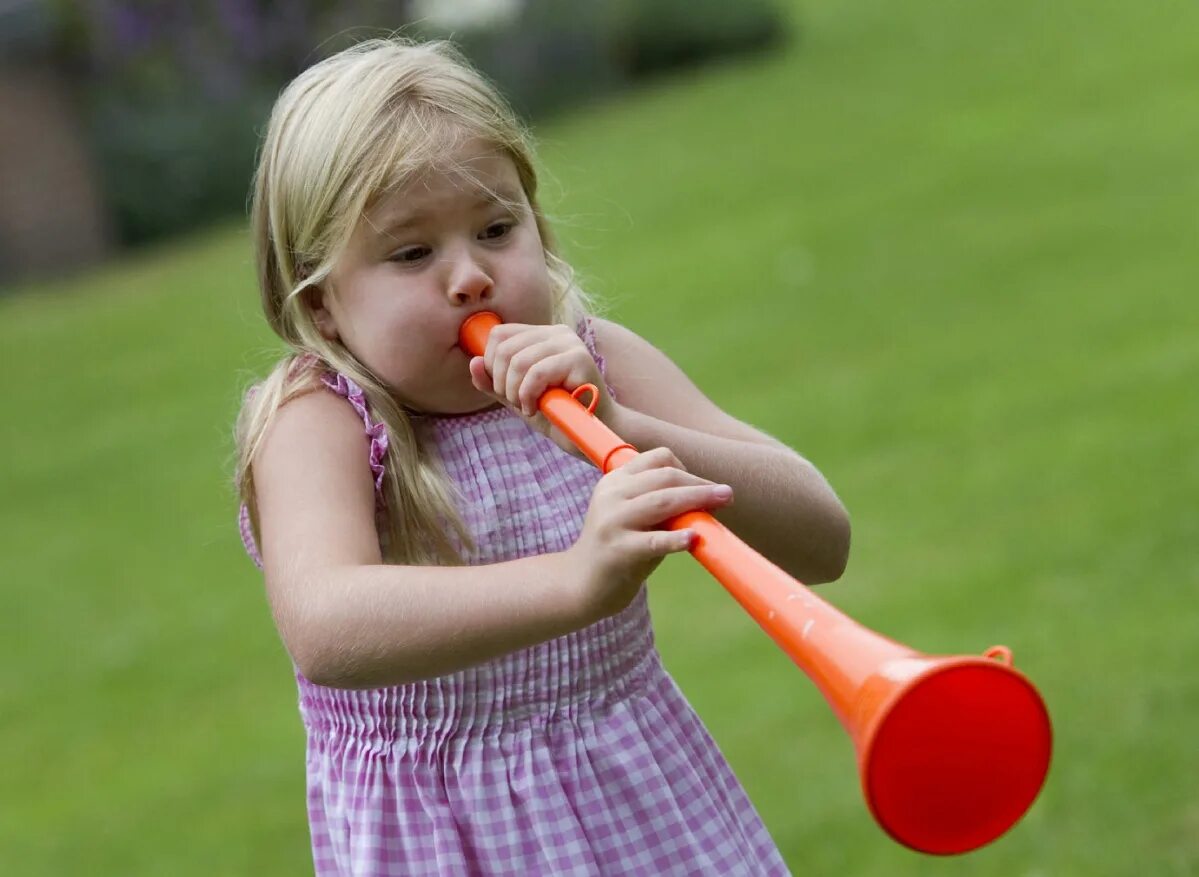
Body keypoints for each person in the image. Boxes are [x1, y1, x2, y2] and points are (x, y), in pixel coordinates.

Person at [234, 36, 850, 877]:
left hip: (641, 798)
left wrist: (624, 419)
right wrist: (574, 581)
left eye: (495, 228)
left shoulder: (596, 362)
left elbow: (822, 538)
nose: (470, 277)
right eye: (412, 253)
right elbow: (326, 624)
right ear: (325, 304)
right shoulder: (319, 419)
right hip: (444, 831)